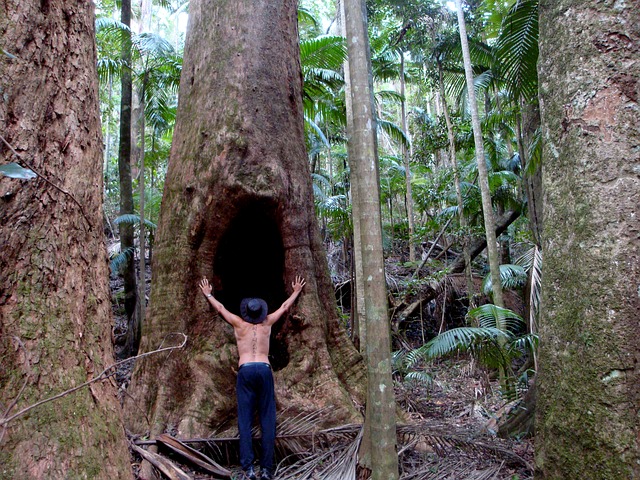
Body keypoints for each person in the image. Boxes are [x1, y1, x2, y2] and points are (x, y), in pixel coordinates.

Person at [199, 275, 306, 480]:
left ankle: (248, 469)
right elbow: (284, 308)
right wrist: (296, 291)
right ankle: (266, 469)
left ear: (246, 312)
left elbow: (221, 309)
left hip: (246, 369)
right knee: (267, 420)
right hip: (264, 369)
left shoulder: (239, 324)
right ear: (261, 312)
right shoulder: (267, 324)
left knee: (245, 420)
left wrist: (208, 294)